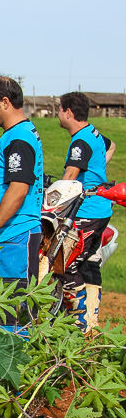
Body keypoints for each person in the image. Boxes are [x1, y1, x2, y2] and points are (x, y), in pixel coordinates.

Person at [0, 73, 44, 330]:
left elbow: (18, 189)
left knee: (14, 314)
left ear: (4, 102)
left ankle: (16, 365)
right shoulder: (13, 135)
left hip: (14, 237)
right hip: (4, 238)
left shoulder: (19, 139)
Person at [57, 91, 114, 332]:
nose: (57, 114)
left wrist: (55, 205)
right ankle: (90, 320)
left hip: (86, 211)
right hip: (101, 209)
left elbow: (69, 177)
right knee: (87, 264)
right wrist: (97, 175)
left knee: (65, 264)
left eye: (59, 109)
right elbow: (111, 146)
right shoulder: (94, 133)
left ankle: (80, 322)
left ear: (69, 113)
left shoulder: (80, 140)